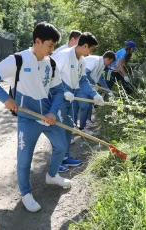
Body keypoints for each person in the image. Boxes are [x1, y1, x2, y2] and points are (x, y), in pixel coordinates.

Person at [0, 22, 70, 213]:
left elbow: (58, 90)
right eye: (50, 45)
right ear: (37, 41)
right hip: (28, 119)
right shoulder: (17, 60)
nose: (52, 49)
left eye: (54, 46)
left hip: (48, 117)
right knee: (24, 158)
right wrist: (6, 99)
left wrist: (53, 111)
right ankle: (26, 194)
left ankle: (52, 175)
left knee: (62, 146)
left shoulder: (51, 63)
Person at [52, 32, 104, 172]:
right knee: (60, 128)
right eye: (91, 49)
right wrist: (63, 90)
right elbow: (52, 75)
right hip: (59, 96)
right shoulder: (63, 56)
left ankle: (66, 157)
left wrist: (94, 94)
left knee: (69, 125)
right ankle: (56, 163)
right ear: (85, 45)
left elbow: (82, 80)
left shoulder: (81, 60)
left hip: (71, 96)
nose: (90, 52)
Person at [72, 51, 116, 134]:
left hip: (85, 85)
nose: (109, 64)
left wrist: (108, 91)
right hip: (80, 85)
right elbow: (85, 73)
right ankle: (80, 128)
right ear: (107, 58)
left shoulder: (102, 64)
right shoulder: (95, 60)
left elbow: (101, 79)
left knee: (84, 106)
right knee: (84, 106)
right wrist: (93, 83)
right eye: (110, 62)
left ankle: (77, 127)